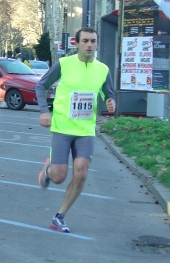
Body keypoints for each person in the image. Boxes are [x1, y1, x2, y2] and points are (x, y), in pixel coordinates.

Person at [35, 27, 116, 233]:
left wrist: (111, 102)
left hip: (86, 129)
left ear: (97, 44)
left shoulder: (103, 70)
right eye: (85, 41)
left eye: (93, 41)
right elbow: (41, 86)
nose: (90, 45)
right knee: (59, 176)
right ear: (77, 43)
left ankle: (59, 216)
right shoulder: (64, 64)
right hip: (62, 127)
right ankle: (48, 170)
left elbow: (109, 94)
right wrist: (45, 111)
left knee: (81, 174)